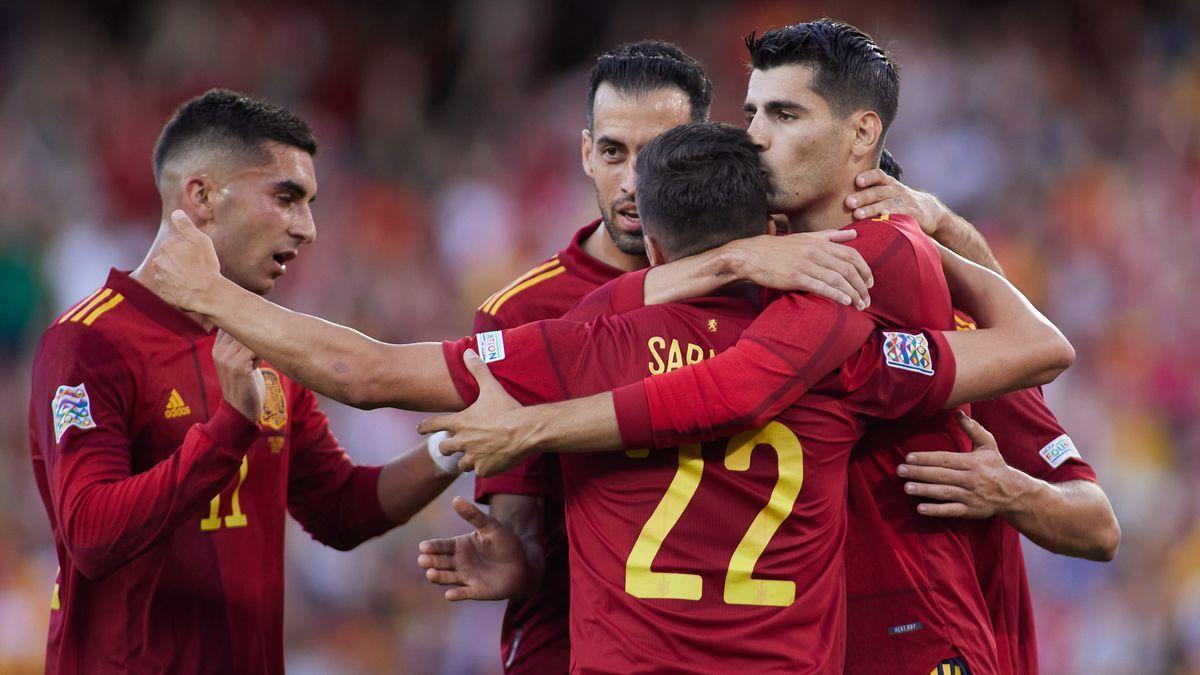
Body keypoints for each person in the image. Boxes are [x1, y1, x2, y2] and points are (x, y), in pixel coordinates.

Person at [148, 121, 1071, 672]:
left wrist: (206, 295)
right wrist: (933, 228)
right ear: (773, 221)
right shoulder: (844, 345)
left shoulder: (587, 341)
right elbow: (1032, 347)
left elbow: (367, 371)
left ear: (654, 242)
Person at [421, 19, 1116, 674]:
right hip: (803, 647)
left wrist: (1012, 490)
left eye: (783, 116)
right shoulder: (748, 292)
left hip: (925, 640)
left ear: (862, 142)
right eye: (751, 113)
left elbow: (1096, 523)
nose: (755, 136)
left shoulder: (942, 321)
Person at [451, 40, 879, 673]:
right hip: (576, 648)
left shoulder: (798, 271)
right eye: (612, 152)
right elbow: (523, 526)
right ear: (585, 153)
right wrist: (520, 559)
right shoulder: (522, 312)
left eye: (655, 156)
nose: (632, 183)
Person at [27, 90, 459, 674]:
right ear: (201, 196)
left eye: (309, 203)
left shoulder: (270, 342)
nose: (307, 228)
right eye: (286, 198)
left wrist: (453, 449)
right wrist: (230, 429)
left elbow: (340, 508)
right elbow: (91, 534)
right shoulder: (89, 342)